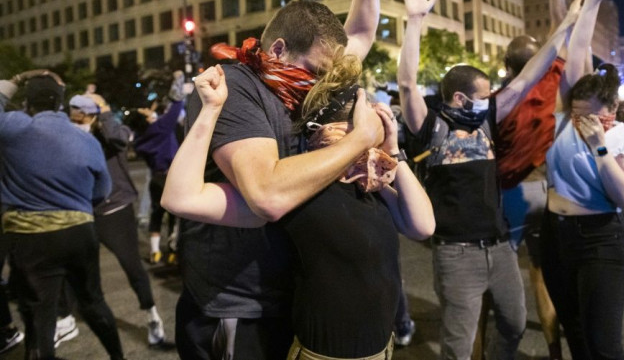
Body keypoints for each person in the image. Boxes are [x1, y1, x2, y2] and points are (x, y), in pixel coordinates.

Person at [175, 0, 384, 360]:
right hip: (238, 304)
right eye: (315, 71)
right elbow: (267, 194)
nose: (321, 84)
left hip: (288, 292)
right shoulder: (235, 86)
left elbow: (361, 33)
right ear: (278, 49)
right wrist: (359, 139)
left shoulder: (298, 84)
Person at [163, 61, 434, 359]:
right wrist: (211, 110)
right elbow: (181, 198)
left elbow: (422, 226)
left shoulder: (371, 184)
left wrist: (395, 152)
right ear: (332, 131)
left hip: (382, 350)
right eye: (371, 125)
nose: (377, 134)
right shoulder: (293, 192)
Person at [398, 0, 583, 360]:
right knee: (459, 345)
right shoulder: (430, 126)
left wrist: (566, 24)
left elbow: (532, 72)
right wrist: (414, 21)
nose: (491, 99)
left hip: (499, 248)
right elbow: (407, 85)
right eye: (481, 96)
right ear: (461, 98)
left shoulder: (488, 117)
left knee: (514, 324)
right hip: (455, 253)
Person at [542, 0, 624, 360]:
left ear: (613, 111)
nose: (581, 120)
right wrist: (591, 4)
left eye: (591, 117)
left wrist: (599, 146)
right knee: (576, 334)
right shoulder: (566, 118)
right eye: (576, 113)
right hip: (556, 235)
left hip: (601, 238)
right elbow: (578, 50)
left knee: (604, 344)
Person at [474, 0, 567, 360]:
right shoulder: (552, 86)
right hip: (547, 191)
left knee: (498, 283)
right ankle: (553, 348)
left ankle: (489, 352)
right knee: (542, 275)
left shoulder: (500, 98)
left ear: (508, 68)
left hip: (509, 195)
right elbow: (563, 23)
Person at [0, 70, 125, 360]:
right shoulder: (85, 140)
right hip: (78, 231)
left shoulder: (15, 126)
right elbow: (102, 189)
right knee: (93, 302)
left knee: (40, 310)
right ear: (60, 104)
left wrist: (15, 82)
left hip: (29, 236)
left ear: (28, 104)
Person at [68, 93, 169, 347]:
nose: (78, 120)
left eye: (83, 115)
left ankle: (153, 318)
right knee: (78, 272)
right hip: (84, 212)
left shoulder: (112, 133)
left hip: (116, 210)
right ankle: (65, 319)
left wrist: (103, 109)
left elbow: (119, 139)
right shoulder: (72, 138)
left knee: (132, 266)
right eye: (74, 115)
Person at [125, 71, 186, 265]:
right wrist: (178, 79)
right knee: (177, 216)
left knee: (156, 214)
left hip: (155, 178)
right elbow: (177, 105)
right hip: (173, 177)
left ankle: (154, 251)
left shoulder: (141, 141)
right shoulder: (160, 128)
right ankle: (174, 251)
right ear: (146, 121)